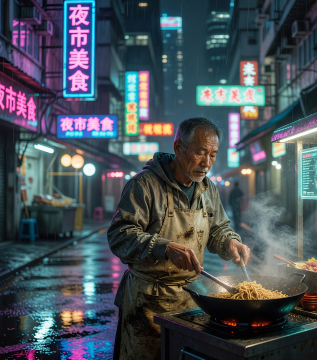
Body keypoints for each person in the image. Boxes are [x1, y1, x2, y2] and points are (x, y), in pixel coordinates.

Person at [107, 117, 251, 360]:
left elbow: (218, 229)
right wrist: (163, 248)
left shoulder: (208, 189)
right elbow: (120, 235)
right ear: (178, 148)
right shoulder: (144, 185)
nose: (207, 163)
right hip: (148, 302)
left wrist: (230, 242)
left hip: (191, 301)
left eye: (213, 155)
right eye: (200, 152)